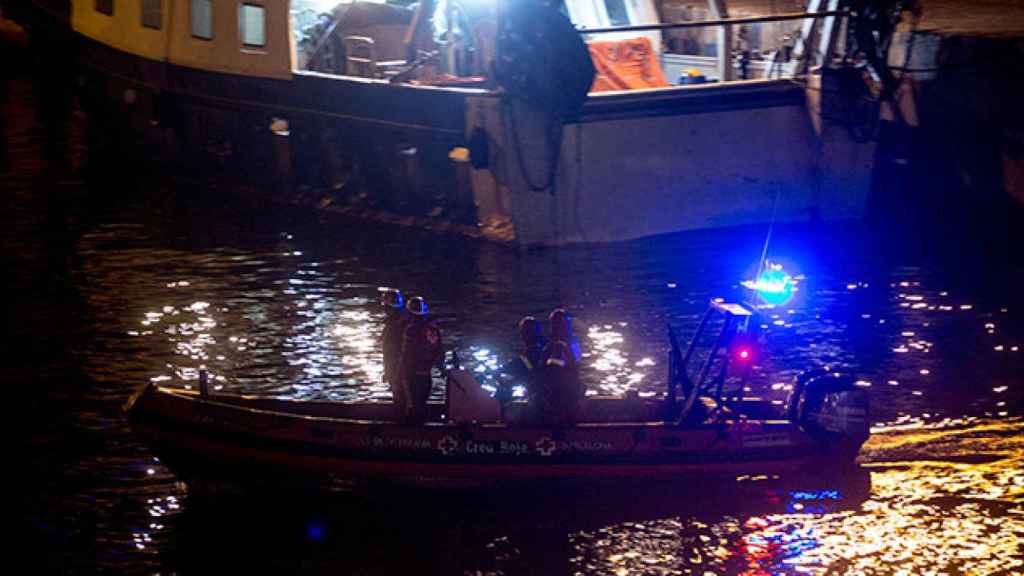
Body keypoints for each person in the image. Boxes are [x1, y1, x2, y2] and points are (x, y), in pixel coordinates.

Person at [399, 296, 444, 423]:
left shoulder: (411, 330)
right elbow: (440, 353)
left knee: (412, 408)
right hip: (427, 376)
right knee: (422, 404)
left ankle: (412, 436)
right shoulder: (434, 330)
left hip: (413, 377)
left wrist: (399, 375)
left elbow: (406, 356)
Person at [538, 308, 584, 425]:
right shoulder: (573, 344)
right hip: (572, 401)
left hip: (558, 407)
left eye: (555, 325)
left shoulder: (558, 346)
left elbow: (554, 374)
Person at [497, 316, 546, 420]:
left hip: (539, 403)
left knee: (506, 403)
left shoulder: (530, 356)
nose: (524, 336)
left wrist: (500, 374)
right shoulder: (546, 350)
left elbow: (516, 368)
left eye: (526, 332)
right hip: (543, 398)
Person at [380, 288, 408, 418]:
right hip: (408, 369)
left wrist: (389, 371)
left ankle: (403, 430)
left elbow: (390, 351)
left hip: (397, 368)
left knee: (400, 399)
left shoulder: (393, 325)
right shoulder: (406, 321)